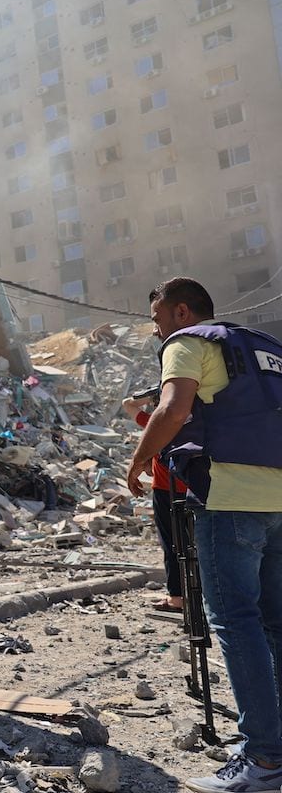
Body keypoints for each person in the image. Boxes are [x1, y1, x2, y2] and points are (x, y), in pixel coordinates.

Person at [127, 278, 282, 793]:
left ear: (181, 311)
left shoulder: (188, 342)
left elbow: (173, 409)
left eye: (157, 320)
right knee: (275, 622)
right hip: (279, 496)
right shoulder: (263, 348)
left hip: (230, 496)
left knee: (236, 622)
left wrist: (139, 458)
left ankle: (263, 759)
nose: (156, 332)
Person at [121, 391, 186, 613]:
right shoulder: (196, 420)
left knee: (172, 544)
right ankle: (204, 597)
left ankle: (177, 599)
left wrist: (154, 395)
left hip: (166, 491)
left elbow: (128, 404)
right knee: (199, 545)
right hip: (198, 491)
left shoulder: (156, 423)